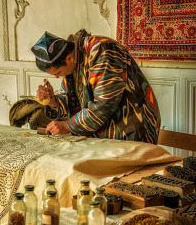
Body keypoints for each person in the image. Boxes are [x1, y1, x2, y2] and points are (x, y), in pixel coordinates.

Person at [31, 29, 161, 143]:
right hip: (107, 133)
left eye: (58, 72)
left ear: (69, 58)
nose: (57, 77)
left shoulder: (102, 51)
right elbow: (75, 103)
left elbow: (103, 105)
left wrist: (67, 126)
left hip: (132, 129)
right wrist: (52, 101)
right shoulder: (76, 62)